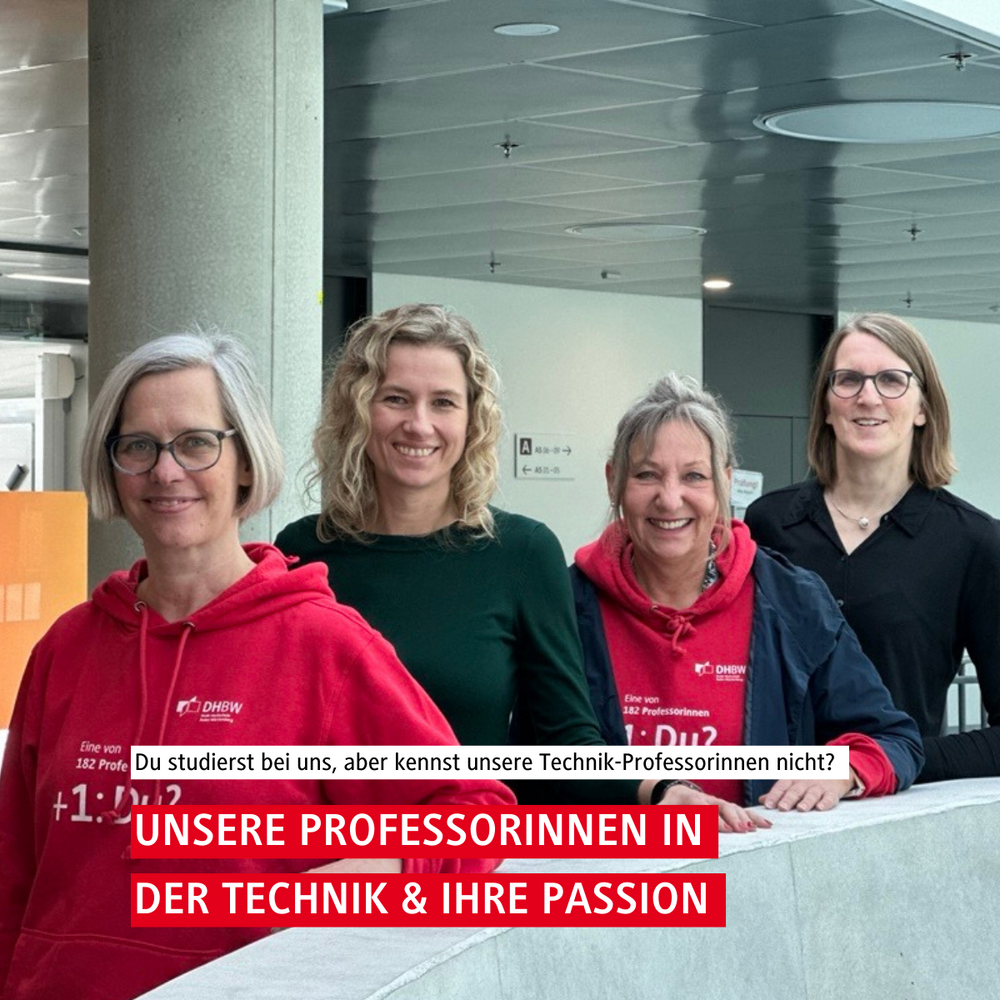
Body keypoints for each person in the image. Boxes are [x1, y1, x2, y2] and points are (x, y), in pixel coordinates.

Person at [0, 331, 514, 1000]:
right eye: (138, 446)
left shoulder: (323, 646)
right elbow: (14, 870)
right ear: (113, 467)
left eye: (196, 442)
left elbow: (475, 817)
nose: (166, 471)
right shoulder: (67, 648)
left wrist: (355, 880)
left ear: (244, 462)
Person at [275, 304, 636, 806]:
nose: (419, 424)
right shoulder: (299, 554)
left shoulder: (521, 554)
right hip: (329, 866)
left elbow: (567, 745)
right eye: (396, 398)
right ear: (358, 409)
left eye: (443, 403)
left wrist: (658, 790)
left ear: (472, 419)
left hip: (459, 864)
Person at [572, 373, 923, 832]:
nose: (670, 498)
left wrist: (844, 770)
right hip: (617, 887)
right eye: (646, 475)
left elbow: (895, 739)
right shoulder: (566, 606)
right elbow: (533, 764)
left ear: (725, 483)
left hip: (760, 878)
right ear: (613, 481)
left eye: (694, 475)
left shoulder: (792, 601)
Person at [745, 313, 1000, 782]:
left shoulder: (974, 542)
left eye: (891, 380)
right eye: (848, 380)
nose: (868, 396)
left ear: (923, 407)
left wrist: (887, 762)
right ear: (825, 404)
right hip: (765, 805)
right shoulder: (768, 524)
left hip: (889, 817)